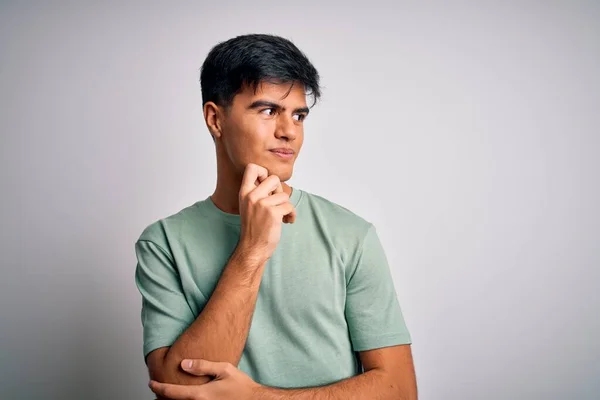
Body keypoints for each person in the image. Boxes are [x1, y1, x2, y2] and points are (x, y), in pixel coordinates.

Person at [134, 33, 417, 400]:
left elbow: (399, 389)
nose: (289, 132)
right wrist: (251, 251)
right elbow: (178, 390)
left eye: (298, 115)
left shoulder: (351, 234)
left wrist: (259, 398)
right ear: (214, 119)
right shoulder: (163, 243)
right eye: (268, 110)